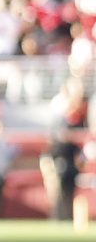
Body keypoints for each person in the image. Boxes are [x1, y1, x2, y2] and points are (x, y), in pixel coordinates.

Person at [46, 86, 89, 223]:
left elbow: (81, 156)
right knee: (59, 195)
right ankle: (59, 217)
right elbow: (49, 157)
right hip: (61, 171)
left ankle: (67, 217)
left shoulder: (71, 145)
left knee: (69, 195)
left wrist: (81, 165)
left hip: (70, 172)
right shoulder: (58, 145)